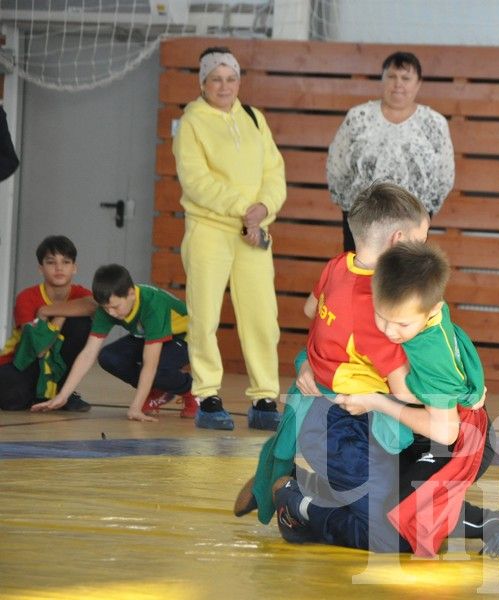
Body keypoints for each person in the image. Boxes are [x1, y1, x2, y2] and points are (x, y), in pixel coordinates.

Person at [235, 184, 499, 560]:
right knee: (393, 525)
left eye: (398, 327)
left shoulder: (349, 272)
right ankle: (300, 495)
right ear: (399, 239)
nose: (389, 330)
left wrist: (324, 365)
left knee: (394, 528)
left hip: (436, 431)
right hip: (368, 424)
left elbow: (313, 313)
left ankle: (298, 500)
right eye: (421, 239)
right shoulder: (390, 300)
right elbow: (400, 384)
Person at [173, 46, 287, 431]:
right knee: (204, 315)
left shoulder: (255, 118)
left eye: (231, 78)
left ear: (240, 81)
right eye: (216, 78)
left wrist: (263, 208)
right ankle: (207, 396)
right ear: (202, 83)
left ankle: (264, 397)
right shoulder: (191, 122)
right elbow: (196, 181)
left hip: (252, 233)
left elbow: (274, 172)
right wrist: (245, 208)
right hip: (209, 229)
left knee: (261, 317)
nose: (224, 86)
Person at [30, 264, 194, 422]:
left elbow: (150, 363)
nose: (111, 313)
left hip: (185, 338)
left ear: (131, 294)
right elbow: (88, 353)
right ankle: (158, 389)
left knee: (156, 368)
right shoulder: (108, 308)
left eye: (115, 307)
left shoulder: (153, 305)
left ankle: (191, 391)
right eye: (106, 308)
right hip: (149, 337)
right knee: (109, 357)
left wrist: (135, 407)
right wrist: (63, 396)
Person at [326, 51, 454, 252]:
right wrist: (351, 210)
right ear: (382, 79)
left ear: (418, 83)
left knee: (402, 282)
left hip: (412, 226)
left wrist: (423, 216)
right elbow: (336, 166)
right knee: (358, 282)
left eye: (406, 78)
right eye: (392, 77)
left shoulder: (434, 124)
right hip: (361, 224)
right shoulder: (358, 117)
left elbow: (444, 176)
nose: (398, 84)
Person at [0, 236, 93, 411]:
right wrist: (65, 312)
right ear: (40, 268)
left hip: (55, 365)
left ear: (74, 268)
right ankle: (43, 394)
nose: (59, 268)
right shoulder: (26, 298)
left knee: (81, 323)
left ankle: (63, 391)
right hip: (22, 362)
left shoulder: (81, 293)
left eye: (65, 262)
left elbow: (94, 305)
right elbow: (39, 349)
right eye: (51, 262)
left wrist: (50, 311)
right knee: (13, 401)